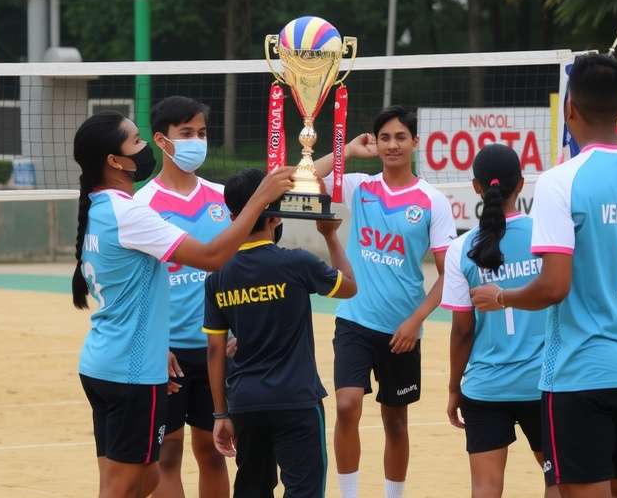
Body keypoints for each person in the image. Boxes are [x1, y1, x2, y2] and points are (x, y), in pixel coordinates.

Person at [471, 55, 617, 498]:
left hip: (580, 371)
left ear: (570, 109)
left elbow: (554, 286)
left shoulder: (561, 182)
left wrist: (502, 297)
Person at [71, 112, 293, 498]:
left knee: (141, 479)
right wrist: (259, 200)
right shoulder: (130, 212)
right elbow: (211, 257)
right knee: (128, 484)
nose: (144, 148)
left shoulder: (98, 208)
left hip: (103, 363)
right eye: (136, 141)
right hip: (130, 372)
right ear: (115, 161)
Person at [313, 105, 457, 498]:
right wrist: (347, 151)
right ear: (375, 143)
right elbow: (303, 177)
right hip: (354, 319)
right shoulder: (360, 186)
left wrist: (416, 321)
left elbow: (448, 275)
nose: (392, 145)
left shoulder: (432, 201)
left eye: (400, 137)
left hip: (402, 330)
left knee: (395, 421)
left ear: (415, 142)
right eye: (385, 138)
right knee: (346, 406)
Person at [203, 168, 357, 498]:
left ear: (234, 217)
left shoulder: (217, 275)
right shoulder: (297, 263)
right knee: (304, 490)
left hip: (245, 402)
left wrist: (220, 413)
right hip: (296, 398)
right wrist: (330, 236)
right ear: (276, 216)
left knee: (252, 489)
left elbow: (215, 349)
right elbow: (349, 287)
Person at [442, 144, 558, 498]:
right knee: (559, 482)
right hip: (544, 383)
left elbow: (462, 331)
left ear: (476, 187)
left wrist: (454, 387)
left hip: (485, 387)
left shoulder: (461, 248)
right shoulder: (547, 236)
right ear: (521, 184)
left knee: (486, 488)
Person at [135, 96, 230, 498]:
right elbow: (135, 289)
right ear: (162, 140)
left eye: (202, 133)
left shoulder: (223, 197)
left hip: (218, 348)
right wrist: (153, 345)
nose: (197, 141)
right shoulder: (141, 205)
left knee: (214, 452)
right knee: (167, 455)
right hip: (167, 352)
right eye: (187, 133)